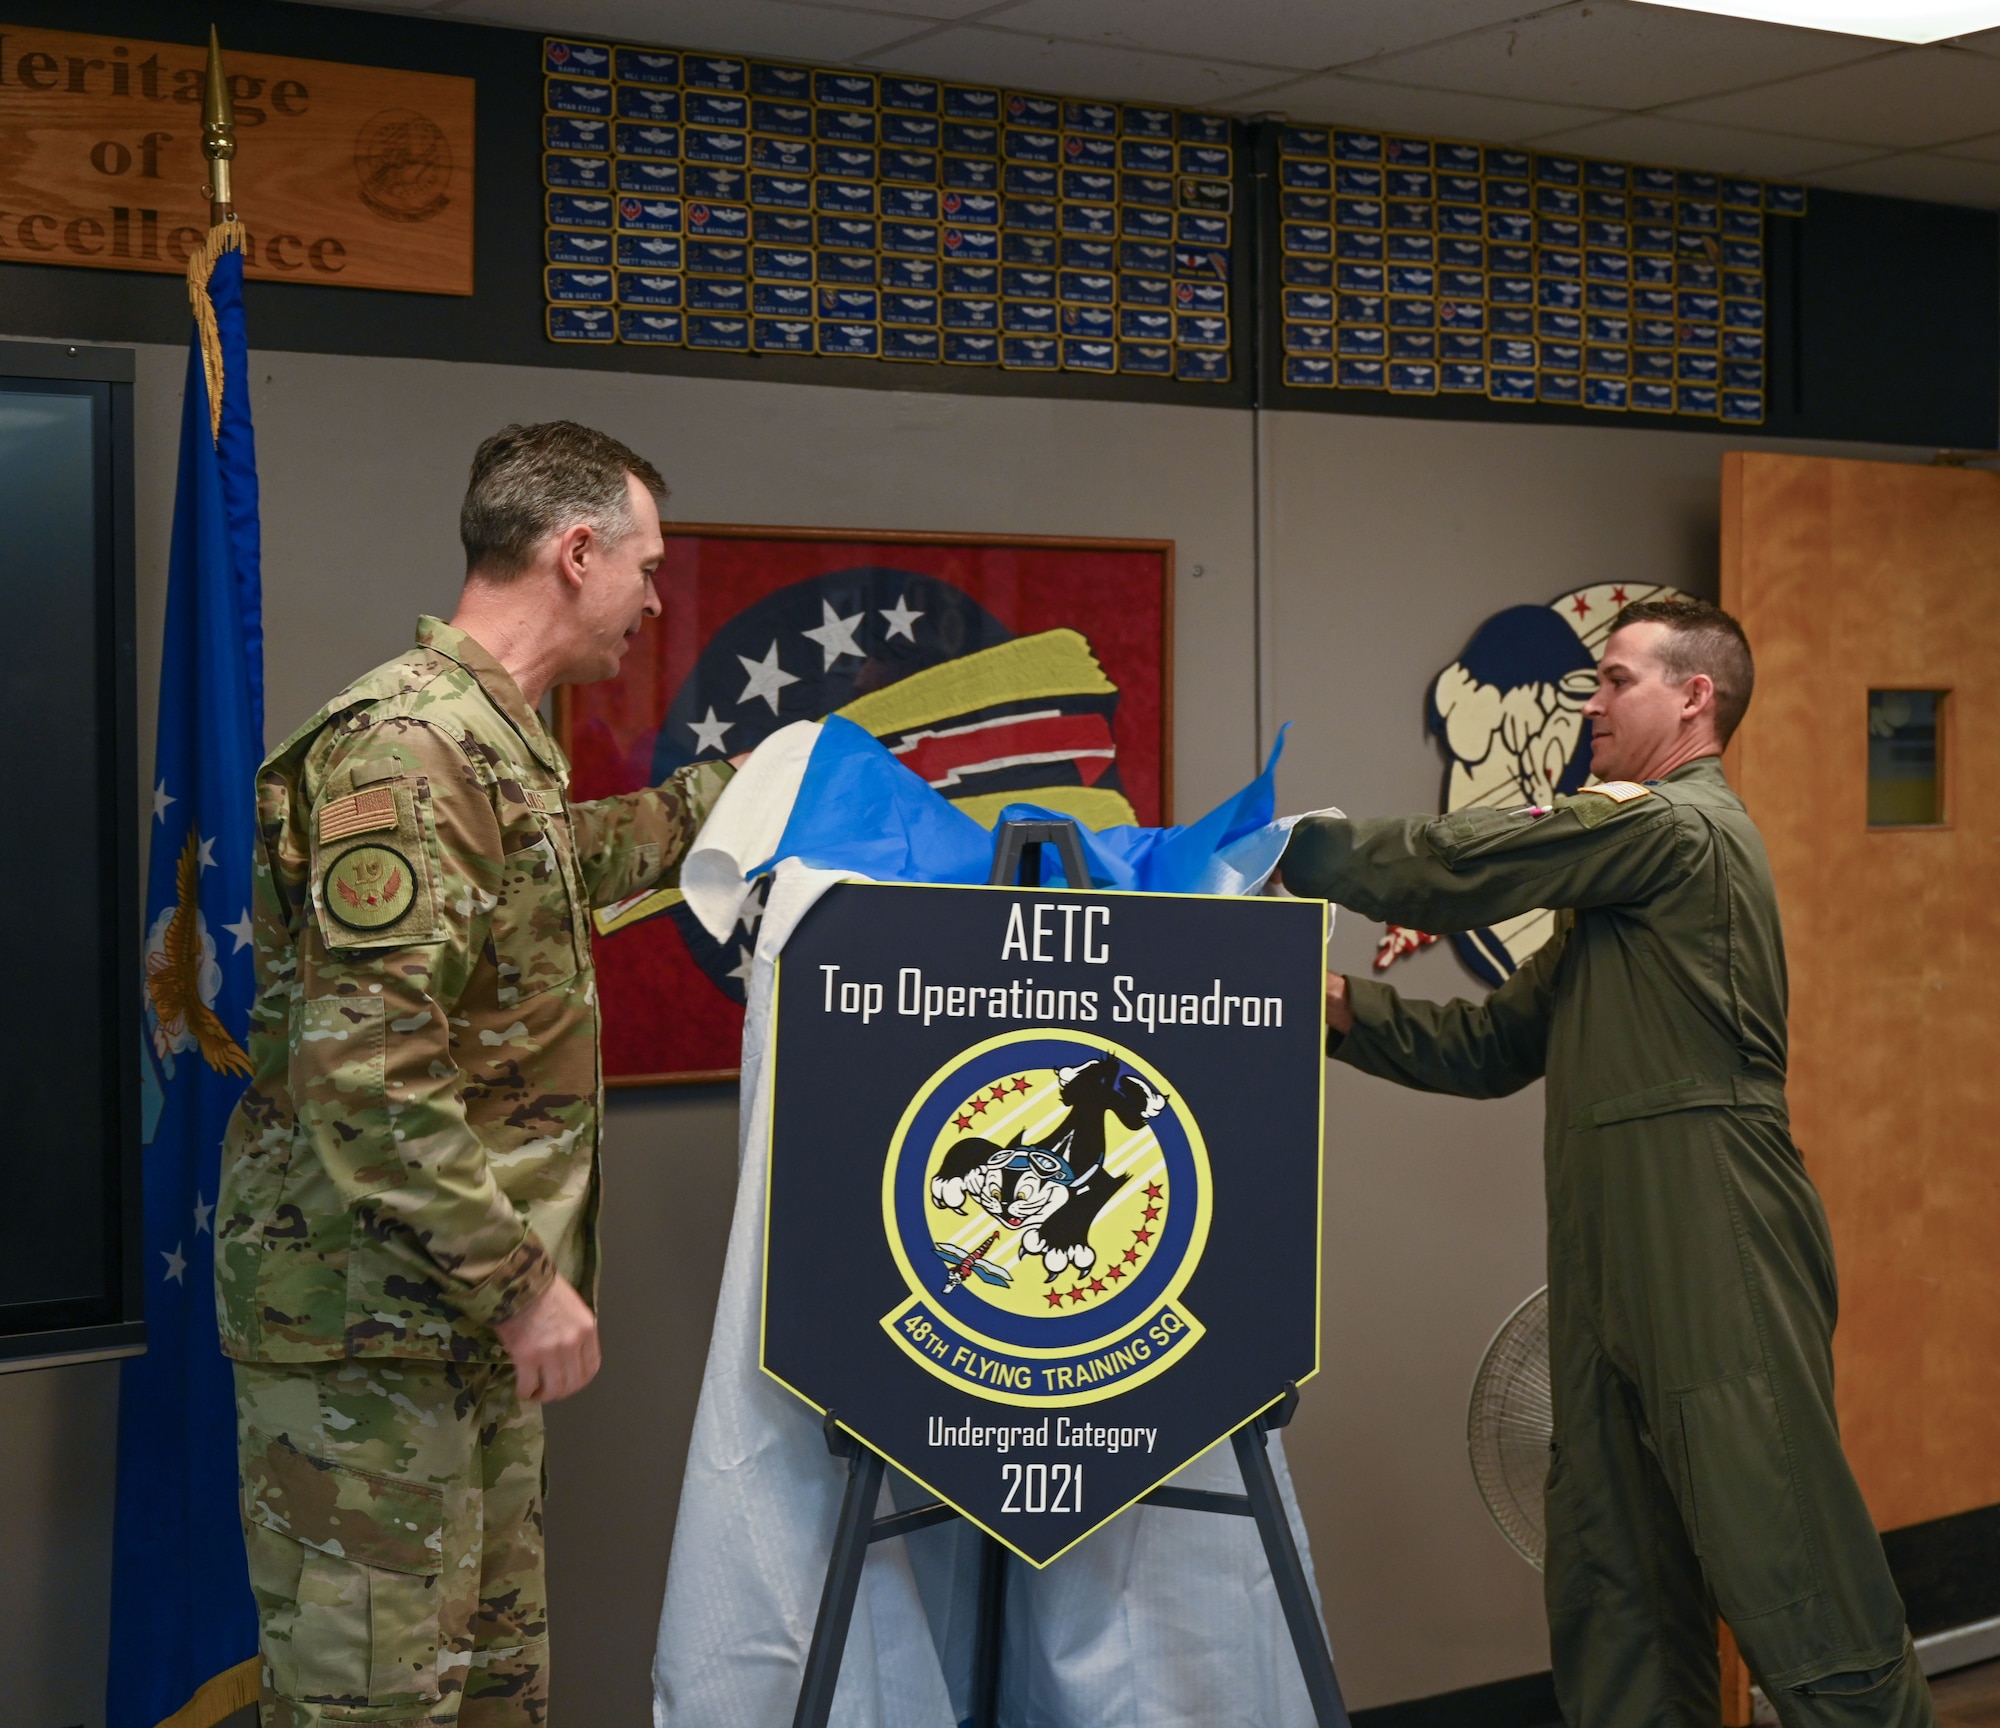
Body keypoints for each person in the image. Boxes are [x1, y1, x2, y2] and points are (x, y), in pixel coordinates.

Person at [1281, 599, 1934, 1728]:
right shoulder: (1614, 901)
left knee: (1787, 1558)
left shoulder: (1677, 829)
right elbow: (1487, 1050)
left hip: (1711, 1241)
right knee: (1611, 1581)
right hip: (1604, 1266)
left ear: (1695, 698)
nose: (1591, 701)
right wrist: (1329, 1004)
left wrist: (1301, 849)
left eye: (1617, 679)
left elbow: (1469, 861)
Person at [214, 422, 734, 1725]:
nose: (654, 603)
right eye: (646, 568)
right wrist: (521, 1288)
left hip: (446, 1337)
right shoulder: (411, 745)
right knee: (378, 1706)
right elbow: (369, 1075)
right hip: (372, 1338)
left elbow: (551, 872)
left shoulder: (490, 744)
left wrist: (749, 796)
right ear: (575, 554)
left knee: (488, 1695)